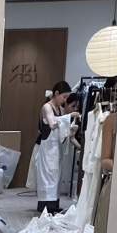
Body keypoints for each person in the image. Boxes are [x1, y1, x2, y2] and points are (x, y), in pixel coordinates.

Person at [35, 81, 79, 214]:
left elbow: (61, 128)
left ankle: (53, 205)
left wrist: (70, 129)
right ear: (56, 93)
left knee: (56, 178)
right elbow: (52, 123)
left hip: (57, 148)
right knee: (47, 177)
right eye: (64, 97)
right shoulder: (47, 107)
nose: (65, 100)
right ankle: (45, 206)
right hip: (48, 149)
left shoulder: (59, 109)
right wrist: (69, 116)